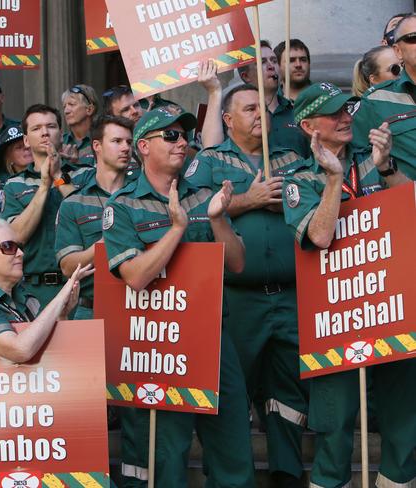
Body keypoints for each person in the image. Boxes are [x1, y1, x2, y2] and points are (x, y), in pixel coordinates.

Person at [102, 108, 254, 487]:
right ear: (144, 146)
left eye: (184, 135)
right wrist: (177, 230)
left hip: (212, 340)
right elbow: (135, 276)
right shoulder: (122, 205)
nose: (182, 141)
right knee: (167, 458)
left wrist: (218, 219)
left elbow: (236, 263)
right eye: (170, 136)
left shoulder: (205, 196)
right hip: (159, 345)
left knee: (233, 450)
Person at [283, 82, 414, 488]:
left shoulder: (375, 159)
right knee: (335, 425)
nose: (346, 119)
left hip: (390, 304)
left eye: (347, 111)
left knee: (404, 418)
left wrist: (389, 167)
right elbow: (320, 236)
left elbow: (410, 209)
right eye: (334, 113)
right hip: (334, 316)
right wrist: (335, 179)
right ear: (308, 126)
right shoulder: (299, 178)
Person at [186, 84, 308, 487]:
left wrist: (289, 197)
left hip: (290, 297)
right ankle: (225, 474)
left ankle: (286, 472)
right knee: (232, 396)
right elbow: (194, 213)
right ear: (227, 119)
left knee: (288, 394)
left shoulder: (291, 157)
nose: (260, 115)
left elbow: (312, 200)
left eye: (263, 108)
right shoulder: (209, 161)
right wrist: (248, 199)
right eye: (249, 108)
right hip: (236, 300)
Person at [0, 218, 91, 362]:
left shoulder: (25, 298)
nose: (20, 253)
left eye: (19, 246)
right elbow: (20, 350)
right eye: (8, 246)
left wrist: (61, 316)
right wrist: (60, 298)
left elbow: (53, 355)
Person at [0, 104, 93, 308]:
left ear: (61, 133)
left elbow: (88, 222)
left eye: (51, 126)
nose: (44, 133)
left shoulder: (85, 175)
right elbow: (16, 236)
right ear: (26, 140)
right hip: (34, 292)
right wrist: (44, 185)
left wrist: (59, 177)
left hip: (80, 287)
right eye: (36, 128)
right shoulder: (14, 185)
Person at [55, 115, 134, 320]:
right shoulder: (74, 203)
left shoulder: (144, 195)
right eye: (117, 141)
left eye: (129, 142)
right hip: (91, 310)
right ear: (97, 146)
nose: (125, 148)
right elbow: (67, 266)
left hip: (141, 309)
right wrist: (105, 243)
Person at [352, 14, 416, 180]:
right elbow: (345, 154)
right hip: (408, 200)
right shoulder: (375, 100)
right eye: (412, 38)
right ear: (398, 51)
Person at [238, 41, 310, 157]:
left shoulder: (299, 112)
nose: (271, 66)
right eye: (262, 62)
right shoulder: (238, 117)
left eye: (274, 61)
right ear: (246, 76)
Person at [61, 84, 99, 164]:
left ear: (89, 109)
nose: (66, 111)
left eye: (72, 104)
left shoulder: (103, 140)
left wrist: (76, 165)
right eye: (64, 106)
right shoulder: (60, 142)